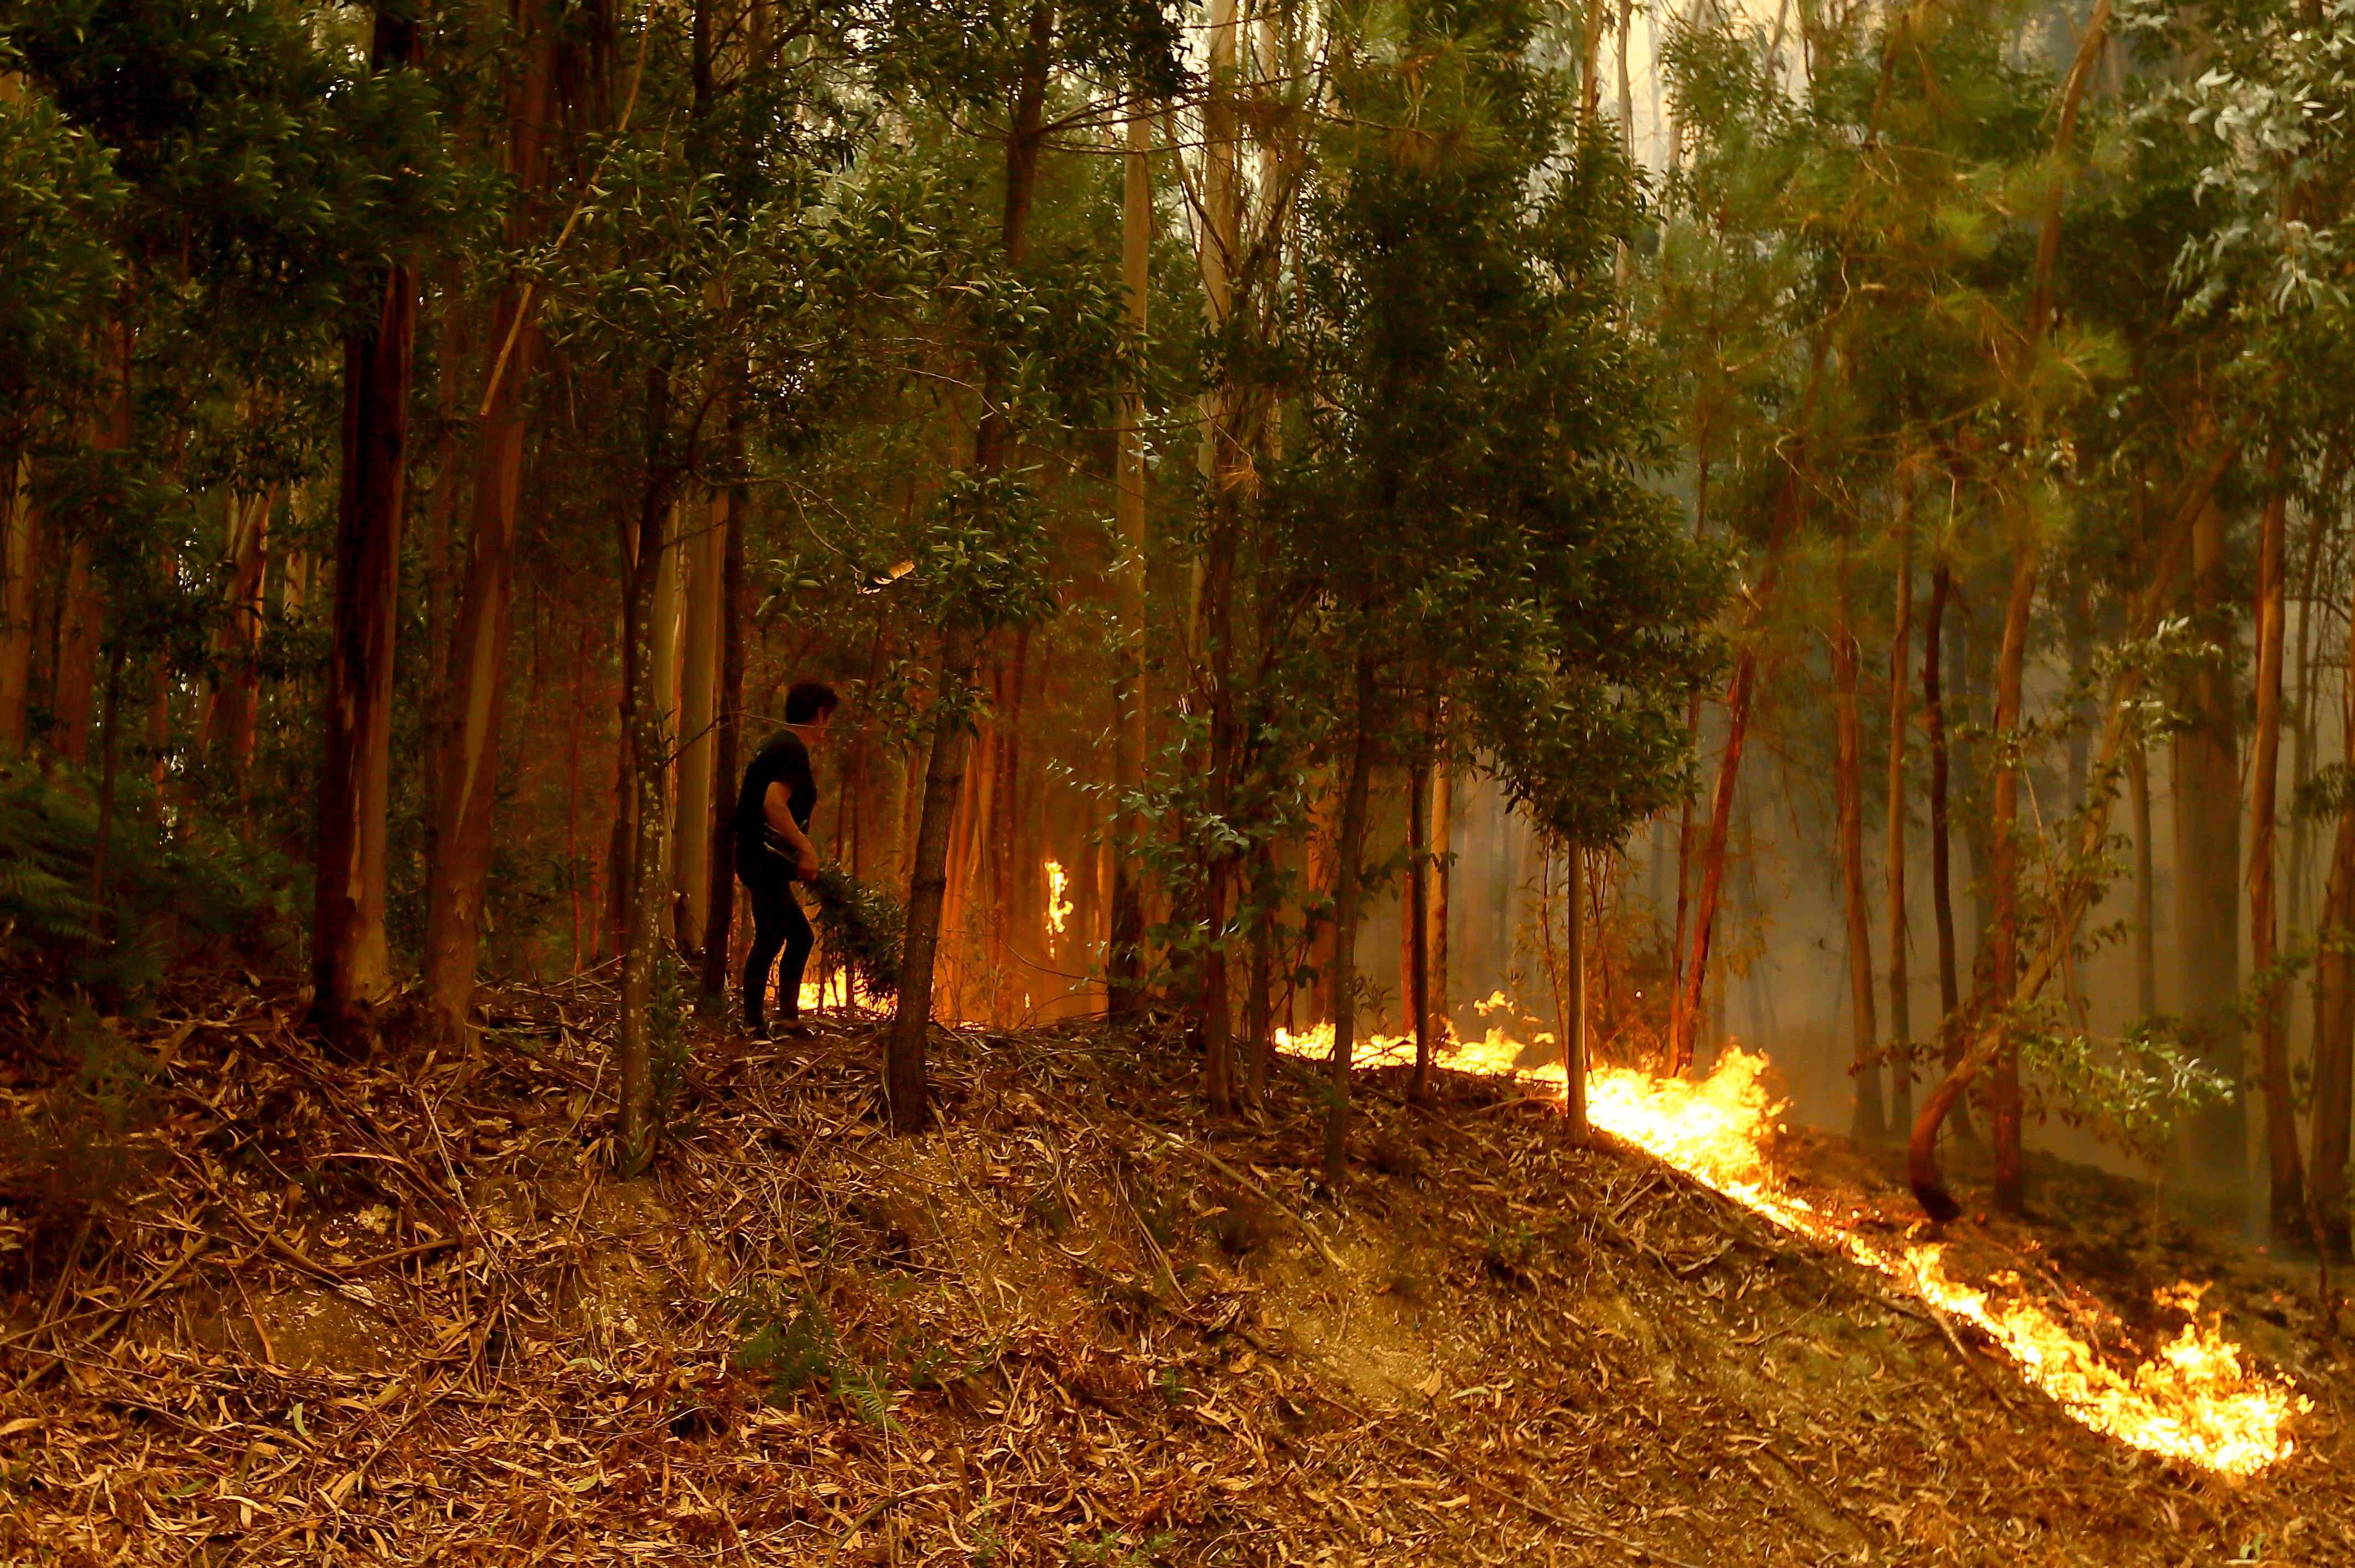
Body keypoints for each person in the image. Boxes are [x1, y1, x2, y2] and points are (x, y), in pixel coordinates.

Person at [735, 681, 838, 1037]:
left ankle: (788, 1020)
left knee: (798, 936)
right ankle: (752, 1025)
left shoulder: (778, 745)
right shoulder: (790, 748)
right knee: (771, 936)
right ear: (821, 714)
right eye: (829, 718)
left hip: (763, 858)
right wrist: (806, 849)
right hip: (762, 859)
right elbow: (772, 804)